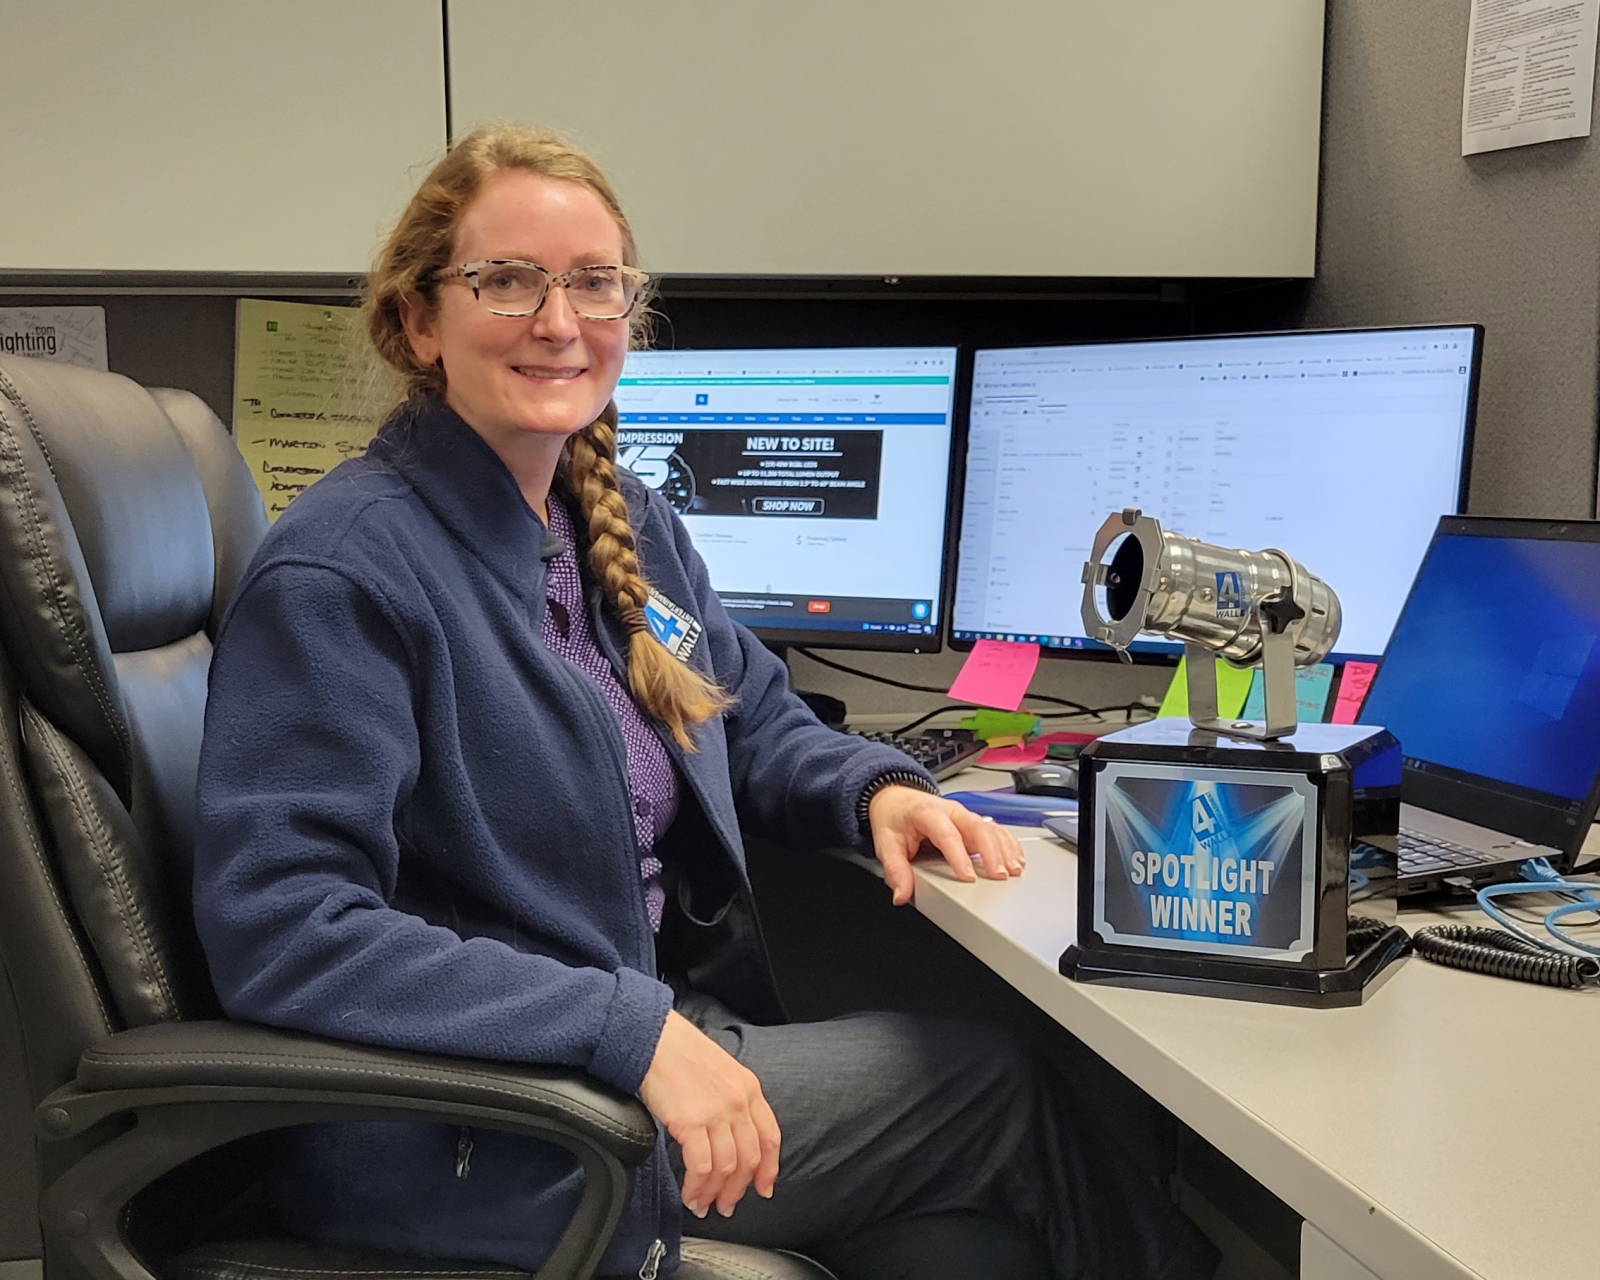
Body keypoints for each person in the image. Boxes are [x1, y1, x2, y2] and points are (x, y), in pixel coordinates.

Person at [193, 123, 1217, 1280]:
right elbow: (284, 926)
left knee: (962, 1244)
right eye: (507, 280)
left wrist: (869, 786)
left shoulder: (612, 515)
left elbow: (748, 710)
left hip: (623, 1051)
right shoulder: (349, 572)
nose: (559, 321)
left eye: (594, 283)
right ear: (420, 320)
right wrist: (628, 1033)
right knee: (1003, 1088)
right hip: (487, 1125)